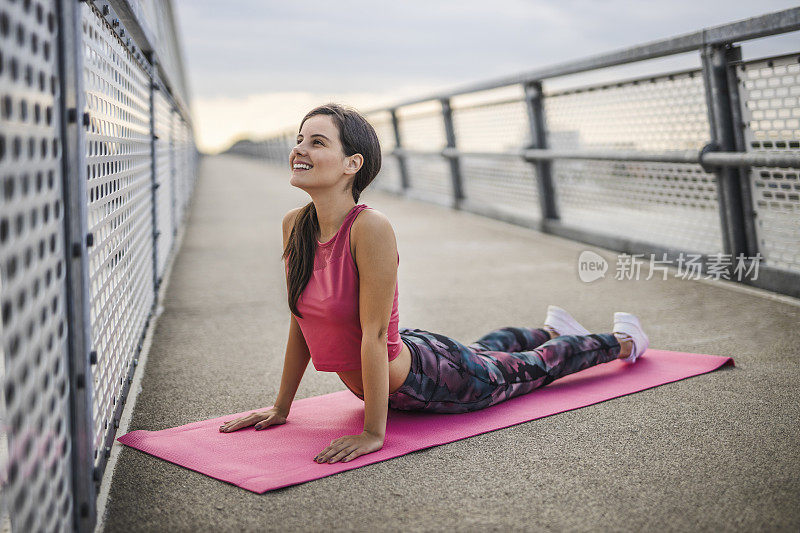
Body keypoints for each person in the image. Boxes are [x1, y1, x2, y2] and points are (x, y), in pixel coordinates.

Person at [218, 103, 649, 465]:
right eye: (299, 139)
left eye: (317, 142)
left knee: (533, 368)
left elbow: (371, 336)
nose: (299, 149)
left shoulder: (370, 228)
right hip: (408, 354)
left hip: (428, 379)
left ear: (353, 164)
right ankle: (554, 328)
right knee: (483, 353)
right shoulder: (294, 225)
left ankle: (624, 340)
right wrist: (281, 408)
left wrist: (373, 433)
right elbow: (301, 323)